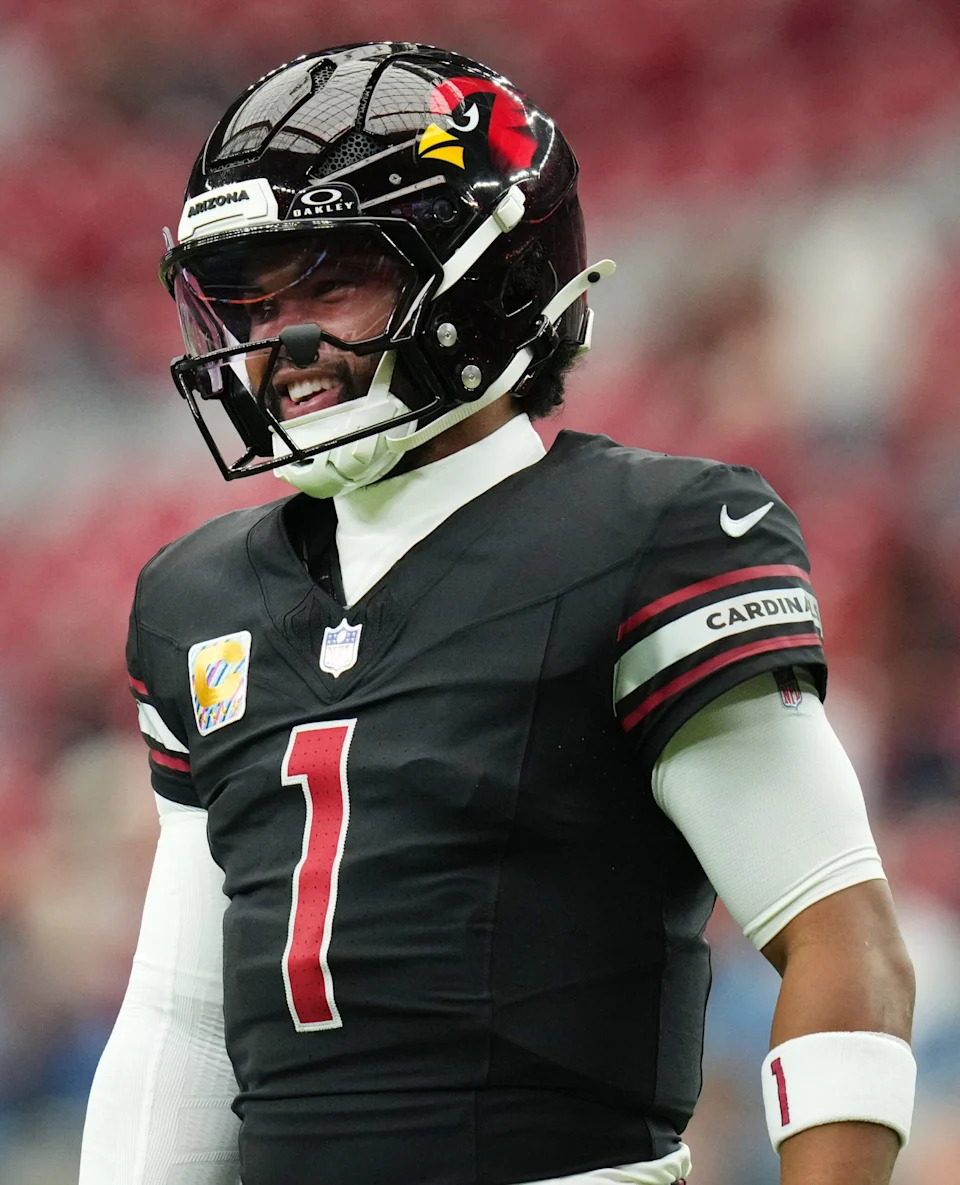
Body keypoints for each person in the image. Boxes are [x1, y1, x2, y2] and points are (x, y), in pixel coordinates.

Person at [78, 42, 916, 1185]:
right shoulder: (198, 599)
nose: (282, 346)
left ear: (485, 274)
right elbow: (182, 1025)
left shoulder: (644, 538)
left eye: (331, 285)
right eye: (252, 303)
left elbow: (838, 934)